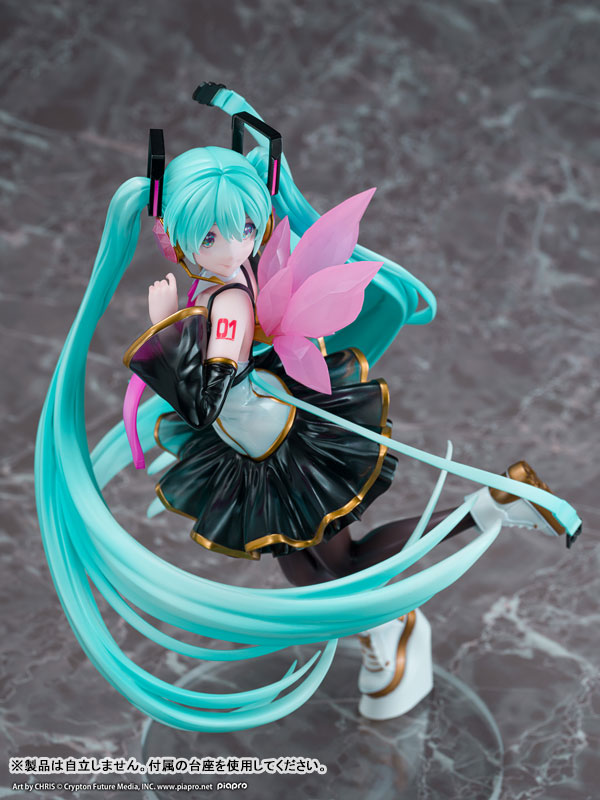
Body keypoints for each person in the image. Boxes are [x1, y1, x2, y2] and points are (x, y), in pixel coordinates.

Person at [35, 83, 581, 731]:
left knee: (337, 568)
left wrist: (165, 330)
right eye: (212, 235)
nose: (233, 245)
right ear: (172, 236)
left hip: (275, 443)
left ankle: (473, 528)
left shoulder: (227, 302)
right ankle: (402, 608)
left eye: (244, 227)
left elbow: (206, 402)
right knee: (309, 571)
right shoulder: (227, 284)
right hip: (259, 441)